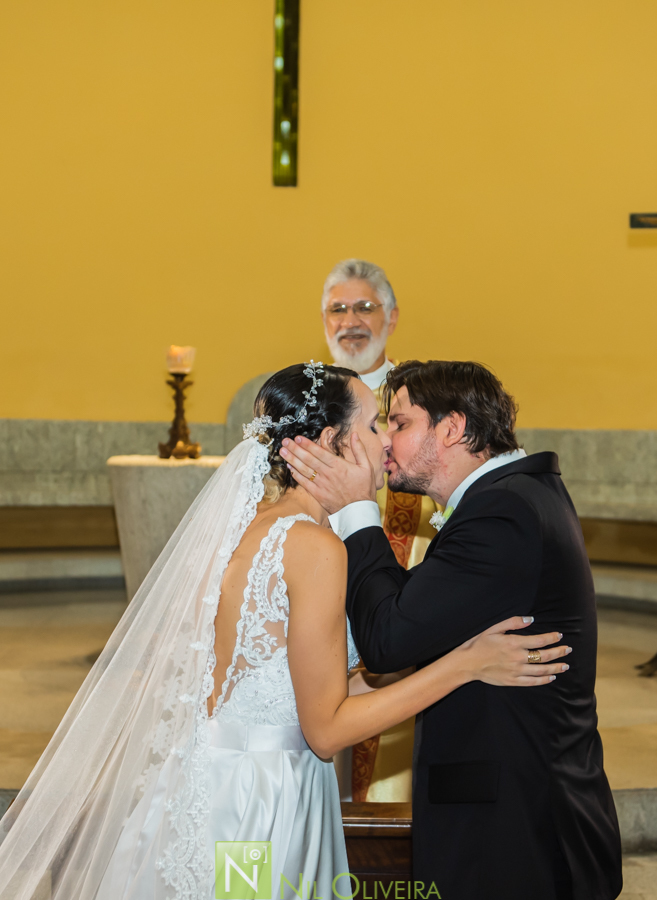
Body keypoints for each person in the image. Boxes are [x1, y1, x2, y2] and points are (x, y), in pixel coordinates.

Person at [0, 363, 570, 900]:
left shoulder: (253, 530)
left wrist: (443, 656)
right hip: (262, 804)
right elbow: (326, 730)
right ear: (330, 442)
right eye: (375, 426)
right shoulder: (314, 547)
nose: (385, 443)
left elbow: (302, 689)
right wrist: (463, 666)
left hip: (219, 780)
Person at [281, 360, 623, 900]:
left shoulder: (503, 513)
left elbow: (388, 640)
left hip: (515, 828)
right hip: (514, 811)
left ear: (452, 428)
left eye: (399, 423)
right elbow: (417, 623)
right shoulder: (514, 498)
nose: (386, 442)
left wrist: (357, 511)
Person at [322, 258, 436, 801]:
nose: (350, 321)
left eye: (364, 307)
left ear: (391, 318)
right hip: (319, 594)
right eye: (337, 309)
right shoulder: (304, 400)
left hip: (400, 592)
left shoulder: (420, 401)